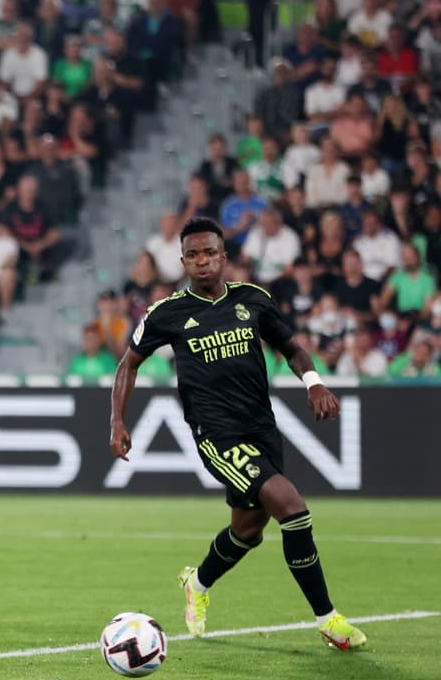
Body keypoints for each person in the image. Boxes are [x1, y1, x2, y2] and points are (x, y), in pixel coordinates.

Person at [109, 217, 365, 652]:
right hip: (217, 434)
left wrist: (315, 382)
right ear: (183, 261)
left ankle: (198, 582)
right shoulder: (167, 313)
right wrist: (117, 420)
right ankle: (328, 619)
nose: (202, 261)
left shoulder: (253, 300)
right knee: (292, 507)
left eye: (210, 252)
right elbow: (128, 363)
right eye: (193, 255)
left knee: (248, 530)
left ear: (224, 257)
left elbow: (292, 347)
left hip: (262, 428)